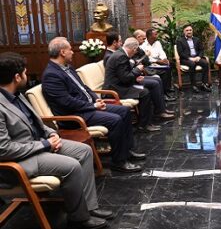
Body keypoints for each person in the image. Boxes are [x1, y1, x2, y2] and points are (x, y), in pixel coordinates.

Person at [0, 52, 112, 229]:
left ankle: (89, 207)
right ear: (16, 76)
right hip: (20, 159)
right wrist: (45, 144)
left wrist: (51, 134)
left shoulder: (17, 95)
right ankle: (79, 218)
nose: (26, 75)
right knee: (71, 166)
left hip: (40, 144)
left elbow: (36, 121)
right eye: (24, 72)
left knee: (84, 151)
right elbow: (4, 149)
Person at [41, 37, 144, 173]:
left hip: (87, 108)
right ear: (62, 52)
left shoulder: (67, 68)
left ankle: (127, 151)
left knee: (124, 111)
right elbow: (66, 102)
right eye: (70, 49)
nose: (72, 52)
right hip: (74, 116)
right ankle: (119, 161)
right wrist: (92, 106)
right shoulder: (51, 75)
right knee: (115, 120)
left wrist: (96, 100)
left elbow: (84, 87)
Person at [103, 37, 174, 132]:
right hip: (116, 89)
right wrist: (137, 70)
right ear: (134, 49)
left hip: (121, 84)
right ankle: (143, 125)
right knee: (145, 92)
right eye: (136, 51)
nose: (135, 53)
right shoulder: (121, 56)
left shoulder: (121, 53)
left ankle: (151, 118)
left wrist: (135, 77)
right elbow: (125, 78)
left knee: (149, 87)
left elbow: (124, 74)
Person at [133, 29, 176, 102]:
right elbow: (142, 60)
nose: (144, 40)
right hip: (147, 66)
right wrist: (155, 60)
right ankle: (164, 94)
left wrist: (164, 59)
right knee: (161, 74)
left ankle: (166, 91)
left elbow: (161, 53)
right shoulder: (139, 46)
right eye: (143, 38)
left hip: (149, 64)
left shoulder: (157, 43)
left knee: (168, 67)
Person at [176, 24, 212, 93]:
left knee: (205, 63)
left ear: (192, 31)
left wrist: (199, 57)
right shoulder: (180, 41)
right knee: (192, 64)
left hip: (196, 57)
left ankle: (204, 84)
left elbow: (201, 50)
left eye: (190, 30)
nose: (189, 32)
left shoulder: (197, 39)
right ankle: (194, 85)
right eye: (187, 30)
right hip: (186, 59)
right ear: (184, 32)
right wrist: (190, 58)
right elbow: (180, 53)